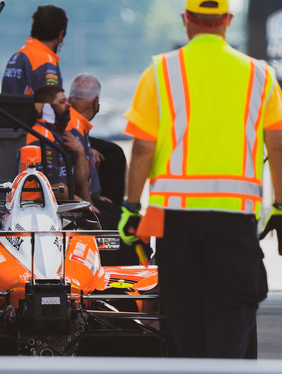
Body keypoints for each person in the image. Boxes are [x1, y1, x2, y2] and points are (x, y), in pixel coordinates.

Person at [119, 0, 282, 358]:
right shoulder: (261, 75)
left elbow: (143, 149)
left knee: (184, 314)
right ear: (227, 20)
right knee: (232, 311)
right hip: (235, 219)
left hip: (177, 221)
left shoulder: (161, 71)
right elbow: (279, 146)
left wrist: (131, 209)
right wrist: (281, 207)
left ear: (186, 21)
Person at [25, 85, 92, 204]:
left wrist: (80, 152)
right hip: (39, 207)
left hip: (64, 203)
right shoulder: (41, 136)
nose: (68, 105)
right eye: (62, 102)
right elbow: (53, 187)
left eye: (67, 101)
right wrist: (86, 205)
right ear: (46, 108)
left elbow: (81, 183)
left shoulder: (61, 134)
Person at [68, 74, 127, 206]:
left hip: (81, 196)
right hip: (80, 200)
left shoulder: (66, 119)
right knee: (114, 153)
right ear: (96, 102)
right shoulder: (75, 127)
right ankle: (113, 205)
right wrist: (91, 203)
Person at [1, 4, 67, 95]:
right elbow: (53, 104)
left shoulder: (17, 55)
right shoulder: (46, 61)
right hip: (30, 110)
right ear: (61, 34)